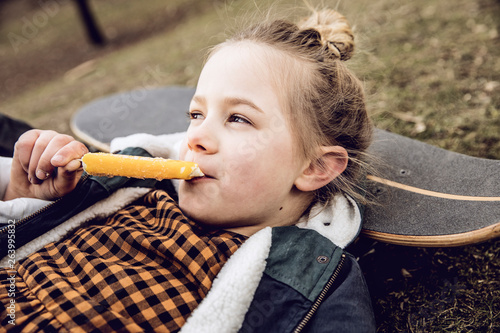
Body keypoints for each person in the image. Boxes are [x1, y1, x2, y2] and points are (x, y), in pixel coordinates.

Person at [0, 8, 376, 332]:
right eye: (196, 114)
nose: (195, 137)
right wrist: (25, 202)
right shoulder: (132, 191)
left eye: (238, 118)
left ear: (315, 167)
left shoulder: (317, 274)